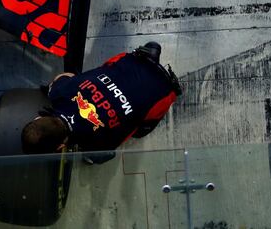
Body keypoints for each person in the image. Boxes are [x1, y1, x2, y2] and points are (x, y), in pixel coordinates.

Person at [21, 42, 181, 158]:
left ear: (61, 146)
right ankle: (149, 58)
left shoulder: (95, 145)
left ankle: (169, 85)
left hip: (163, 91)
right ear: (39, 117)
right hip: (134, 60)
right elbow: (66, 76)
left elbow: (110, 151)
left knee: (133, 134)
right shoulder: (59, 92)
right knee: (102, 71)